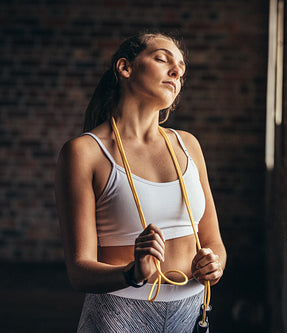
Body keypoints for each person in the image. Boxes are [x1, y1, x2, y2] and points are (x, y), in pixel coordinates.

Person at [55, 32, 226, 333]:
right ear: (125, 68)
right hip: (119, 313)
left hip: (192, 311)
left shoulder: (188, 145)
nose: (176, 72)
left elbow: (214, 243)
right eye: (163, 59)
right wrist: (131, 273)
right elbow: (78, 271)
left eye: (181, 69)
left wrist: (215, 265)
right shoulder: (85, 152)